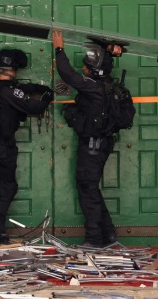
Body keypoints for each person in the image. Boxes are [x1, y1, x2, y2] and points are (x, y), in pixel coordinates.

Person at [52, 29, 127, 248]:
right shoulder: (108, 87)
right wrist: (109, 50)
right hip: (102, 144)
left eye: (86, 67)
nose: (83, 69)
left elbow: (67, 74)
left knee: (87, 190)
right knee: (91, 188)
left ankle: (95, 239)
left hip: (93, 147)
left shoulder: (92, 88)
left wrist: (59, 48)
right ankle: (109, 234)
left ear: (93, 71)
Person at [0, 48, 53, 244]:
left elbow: (13, 92)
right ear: (13, 68)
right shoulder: (7, 91)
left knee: (4, 184)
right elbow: (35, 107)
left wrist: (30, 88)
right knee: (8, 186)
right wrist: (46, 96)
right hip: (2, 144)